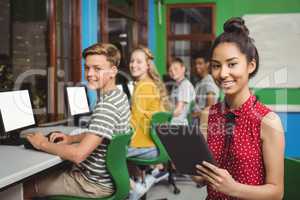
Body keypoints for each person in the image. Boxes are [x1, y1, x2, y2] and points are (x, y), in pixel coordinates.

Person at [193, 17, 285, 200]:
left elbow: (277, 192)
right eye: (216, 66)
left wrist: (233, 188)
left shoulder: (268, 121)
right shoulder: (207, 115)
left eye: (232, 64)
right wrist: (195, 171)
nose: (223, 73)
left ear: (251, 65)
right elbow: (200, 179)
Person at [24, 43, 130, 199]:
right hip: (106, 179)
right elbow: (99, 133)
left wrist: (41, 143)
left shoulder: (107, 106)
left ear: (113, 71)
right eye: (87, 68)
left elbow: (78, 155)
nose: (89, 73)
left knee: (25, 187)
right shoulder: (118, 96)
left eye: (97, 68)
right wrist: (71, 138)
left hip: (91, 184)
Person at [127, 45, 171, 199]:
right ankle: (141, 180)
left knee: (108, 150)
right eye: (132, 61)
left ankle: (134, 188)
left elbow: (133, 122)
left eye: (139, 61)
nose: (133, 65)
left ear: (147, 65)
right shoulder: (148, 83)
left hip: (147, 145)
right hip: (156, 143)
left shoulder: (144, 87)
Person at [192, 54, 220, 135]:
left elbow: (211, 107)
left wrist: (197, 114)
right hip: (198, 121)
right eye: (195, 64)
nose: (197, 66)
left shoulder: (208, 81)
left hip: (204, 123)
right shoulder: (201, 82)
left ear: (207, 64)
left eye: (200, 63)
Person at [168, 57, 195, 125]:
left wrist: (165, 116)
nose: (173, 72)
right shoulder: (176, 85)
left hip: (179, 124)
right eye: (170, 71)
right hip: (173, 122)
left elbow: (178, 110)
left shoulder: (185, 85)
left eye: (176, 69)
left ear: (183, 69)